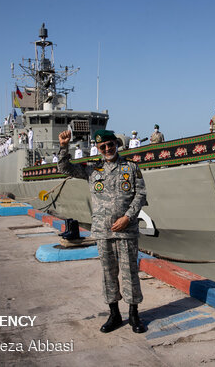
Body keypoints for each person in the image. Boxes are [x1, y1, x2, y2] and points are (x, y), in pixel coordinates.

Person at [58, 129, 147, 334]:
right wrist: (64, 147)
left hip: (126, 231)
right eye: (103, 147)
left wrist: (127, 218)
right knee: (108, 274)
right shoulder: (92, 169)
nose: (107, 149)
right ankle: (114, 314)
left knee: (130, 273)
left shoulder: (131, 168)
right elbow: (65, 168)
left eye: (110, 145)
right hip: (103, 231)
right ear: (98, 149)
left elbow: (140, 194)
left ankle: (134, 314)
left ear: (116, 144)